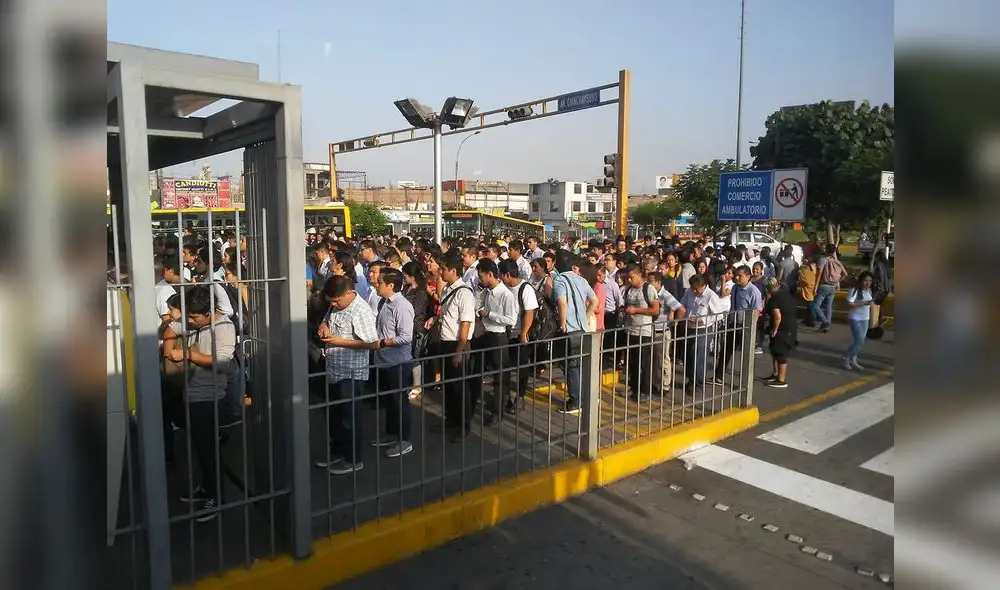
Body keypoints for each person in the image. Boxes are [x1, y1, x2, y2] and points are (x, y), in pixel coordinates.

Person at [160, 285, 237, 521]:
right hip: (188, 394)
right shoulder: (192, 318)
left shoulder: (224, 327)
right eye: (188, 316)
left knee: (208, 451)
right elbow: (171, 329)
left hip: (209, 398)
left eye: (194, 317)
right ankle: (208, 487)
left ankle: (216, 498)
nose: (189, 321)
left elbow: (223, 363)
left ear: (209, 312)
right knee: (200, 447)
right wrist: (169, 351)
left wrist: (188, 355)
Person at [316, 275, 379, 475]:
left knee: (349, 418)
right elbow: (327, 318)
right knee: (334, 414)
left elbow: (372, 343)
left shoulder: (361, 311)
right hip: (333, 369)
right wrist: (323, 325)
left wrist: (339, 341)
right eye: (331, 301)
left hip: (352, 373)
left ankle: (353, 459)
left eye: (337, 300)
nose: (334, 304)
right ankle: (338, 452)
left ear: (350, 293)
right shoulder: (334, 306)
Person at [372, 268, 415, 458]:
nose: (376, 283)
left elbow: (406, 336)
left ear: (390, 285)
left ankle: (404, 440)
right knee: (389, 401)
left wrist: (383, 342)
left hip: (397, 362)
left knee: (400, 402)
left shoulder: (401, 306)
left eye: (380, 281)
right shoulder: (383, 302)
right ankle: (391, 435)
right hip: (383, 360)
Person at [433, 254, 476, 441]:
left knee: (460, 387)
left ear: (453, 271)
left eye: (443, 269)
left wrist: (459, 351)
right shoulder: (447, 290)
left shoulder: (464, 293)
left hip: (459, 344)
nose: (440, 272)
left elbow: (465, 324)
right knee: (449, 384)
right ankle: (451, 418)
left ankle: (464, 425)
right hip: (445, 342)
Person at [470, 258, 517, 427]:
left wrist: (490, 314)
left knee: (499, 377)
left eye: (481, 276)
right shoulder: (487, 291)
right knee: (478, 370)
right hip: (485, 335)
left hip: (498, 338)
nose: (480, 279)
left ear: (490, 274)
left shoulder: (506, 295)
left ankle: (498, 411)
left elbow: (510, 319)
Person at [551, 255, 598, 414]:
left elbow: (562, 302)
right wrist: (585, 317)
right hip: (583, 328)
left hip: (570, 329)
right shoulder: (582, 280)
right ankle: (589, 396)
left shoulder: (559, 280)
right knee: (582, 364)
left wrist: (563, 322)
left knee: (571, 365)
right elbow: (594, 301)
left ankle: (575, 400)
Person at [499, 258, 537, 414]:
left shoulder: (525, 288)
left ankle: (520, 397)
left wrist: (523, 333)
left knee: (521, 368)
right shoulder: (505, 288)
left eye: (501, 275)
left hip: (521, 335)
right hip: (506, 333)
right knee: (504, 367)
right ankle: (505, 397)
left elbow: (529, 312)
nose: (500, 278)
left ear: (508, 274)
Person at [678, 275, 727, 394]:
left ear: (703, 286)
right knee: (688, 356)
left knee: (699, 357)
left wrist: (702, 320)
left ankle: (698, 384)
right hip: (689, 327)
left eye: (696, 289)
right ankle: (691, 380)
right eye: (693, 288)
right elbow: (682, 304)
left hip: (703, 329)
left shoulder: (711, 296)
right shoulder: (689, 292)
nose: (694, 291)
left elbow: (719, 315)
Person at [713, 266, 762, 384]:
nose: (737, 277)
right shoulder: (735, 287)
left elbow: (757, 311)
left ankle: (746, 382)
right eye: (736, 275)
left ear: (748, 277)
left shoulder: (754, 292)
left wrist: (752, 328)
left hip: (746, 326)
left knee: (746, 356)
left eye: (740, 276)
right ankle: (718, 376)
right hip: (733, 324)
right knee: (725, 351)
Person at [621, 265, 661, 402]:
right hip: (630, 330)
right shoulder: (628, 290)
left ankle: (646, 390)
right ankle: (634, 388)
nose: (629, 280)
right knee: (632, 363)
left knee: (645, 363)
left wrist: (636, 310)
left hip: (644, 331)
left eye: (632, 277)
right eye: (628, 277)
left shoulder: (648, 288)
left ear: (639, 275)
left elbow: (655, 310)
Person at [762, 277, 798, 388]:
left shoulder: (774, 299)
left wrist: (775, 330)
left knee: (780, 353)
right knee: (775, 351)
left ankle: (781, 379)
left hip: (782, 329)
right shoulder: (785, 294)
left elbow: (777, 316)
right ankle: (775, 373)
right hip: (790, 327)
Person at [843, 271, 875, 371]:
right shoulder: (855, 290)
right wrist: (864, 303)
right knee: (859, 340)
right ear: (861, 280)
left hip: (865, 318)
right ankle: (846, 359)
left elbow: (872, 304)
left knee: (861, 341)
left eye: (870, 281)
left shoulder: (869, 291)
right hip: (855, 318)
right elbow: (850, 303)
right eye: (865, 280)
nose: (868, 283)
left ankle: (854, 359)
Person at [814, 244, 847, 333]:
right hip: (833, 287)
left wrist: (816, 287)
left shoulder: (823, 260)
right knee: (829, 307)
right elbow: (845, 274)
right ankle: (826, 326)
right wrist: (837, 282)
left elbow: (819, 275)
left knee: (815, 306)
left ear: (826, 250)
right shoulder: (837, 262)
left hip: (824, 286)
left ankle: (825, 322)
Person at [797, 254, 820, 327]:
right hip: (812, 287)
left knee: (810, 305)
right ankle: (807, 319)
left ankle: (811, 321)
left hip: (808, 287)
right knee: (809, 304)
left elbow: (804, 278)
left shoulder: (807, 268)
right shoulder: (815, 267)